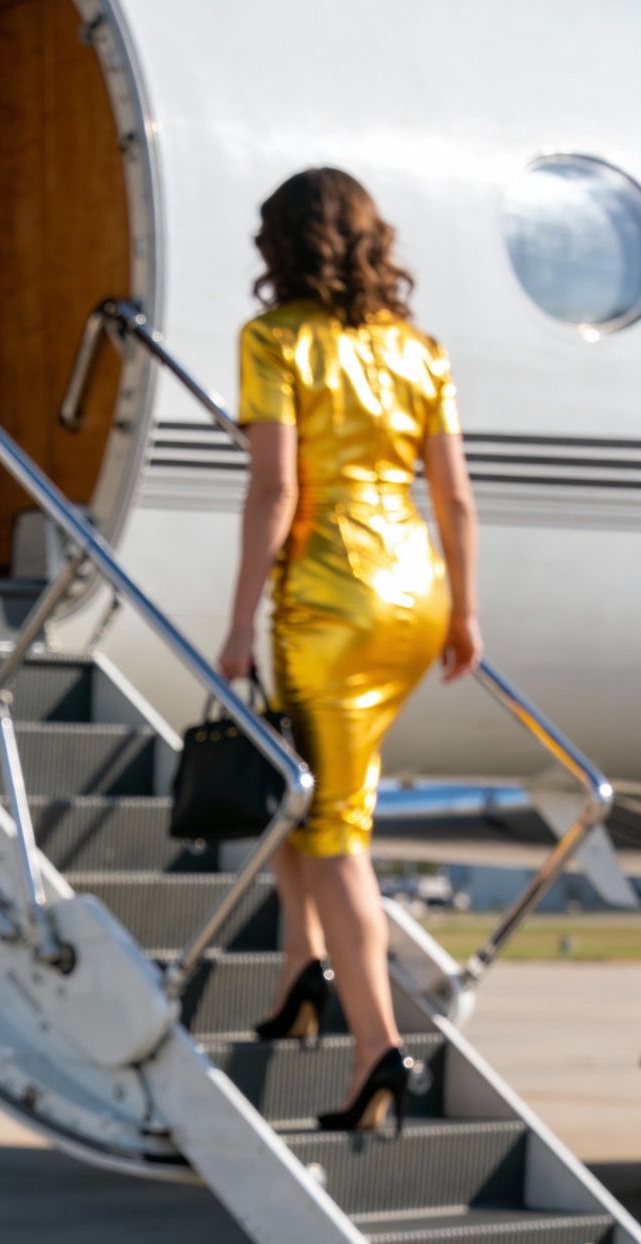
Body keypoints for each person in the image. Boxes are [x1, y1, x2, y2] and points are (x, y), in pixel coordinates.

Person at [218, 167, 481, 1133]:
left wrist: (238, 623)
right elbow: (455, 498)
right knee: (307, 790)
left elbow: (275, 492)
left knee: (334, 832)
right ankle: (303, 972)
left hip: (329, 600)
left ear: (280, 246)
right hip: (417, 594)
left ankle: (379, 1051)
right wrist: (465, 613)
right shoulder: (419, 349)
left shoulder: (275, 339)